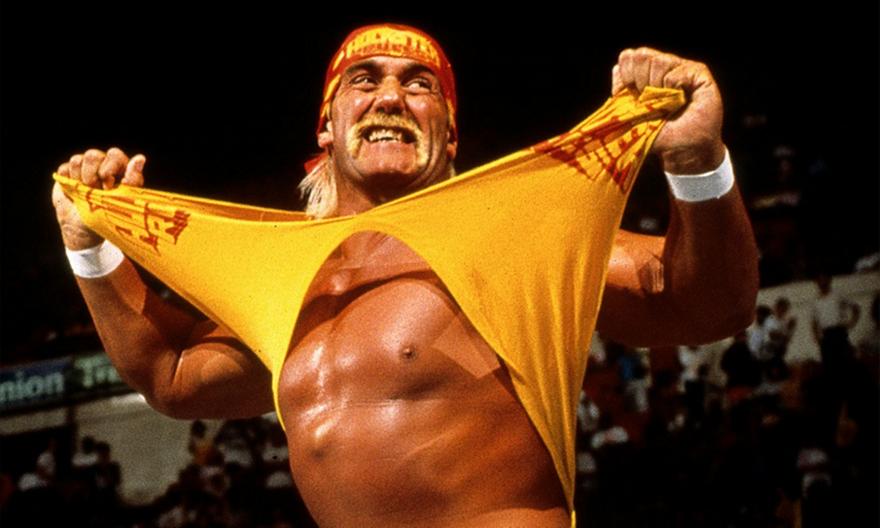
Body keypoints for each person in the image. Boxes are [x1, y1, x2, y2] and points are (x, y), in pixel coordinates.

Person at [51, 24, 757, 527]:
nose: (390, 97)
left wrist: (695, 162)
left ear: (450, 134)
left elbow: (708, 308)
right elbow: (172, 375)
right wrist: (89, 246)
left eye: (420, 86)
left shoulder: (510, 234)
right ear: (327, 128)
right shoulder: (279, 279)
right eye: (364, 81)